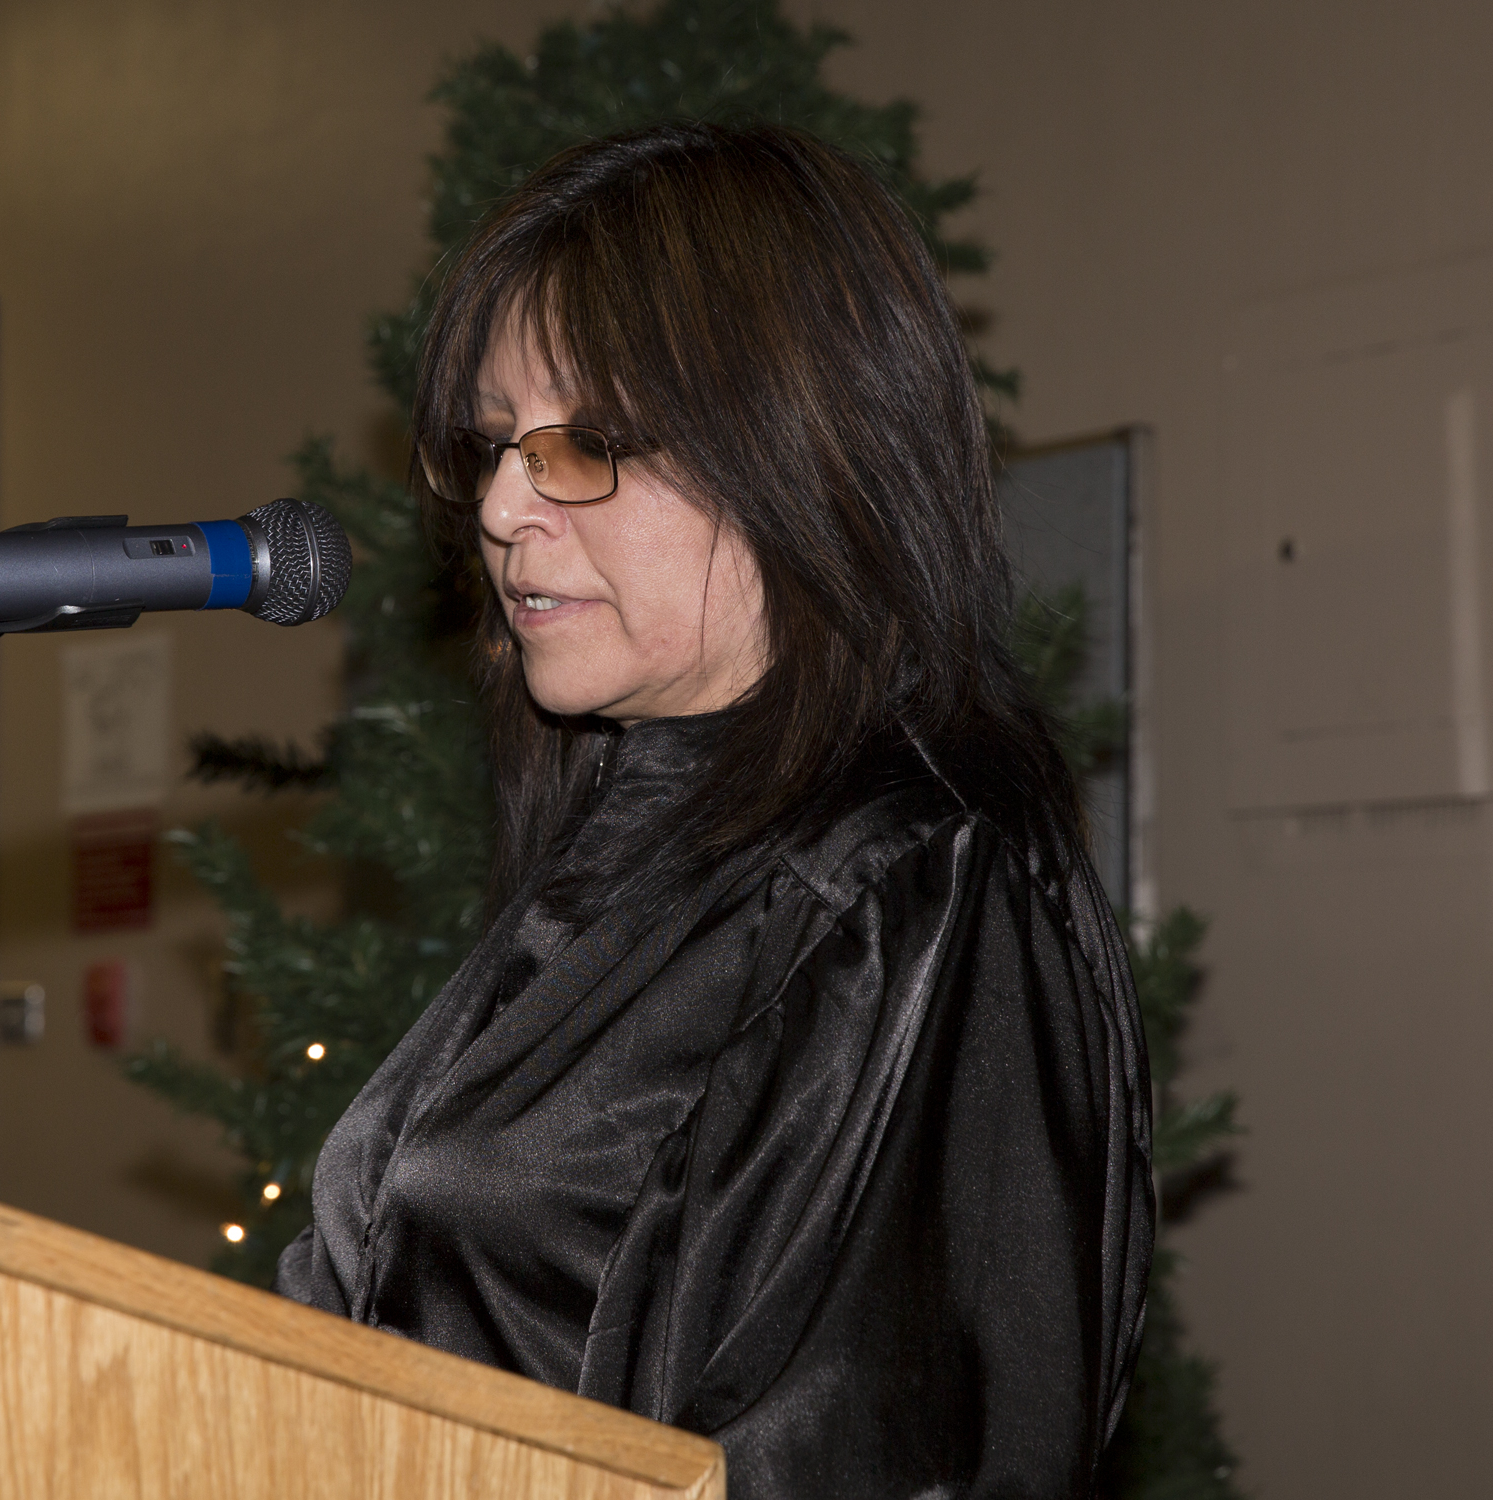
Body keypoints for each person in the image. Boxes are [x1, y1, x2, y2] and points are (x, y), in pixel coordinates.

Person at [276, 121, 1152, 1499]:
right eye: (495, 444)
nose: (502, 506)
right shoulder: (637, 844)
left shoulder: (916, 897)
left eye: (587, 441)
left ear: (802, 450)